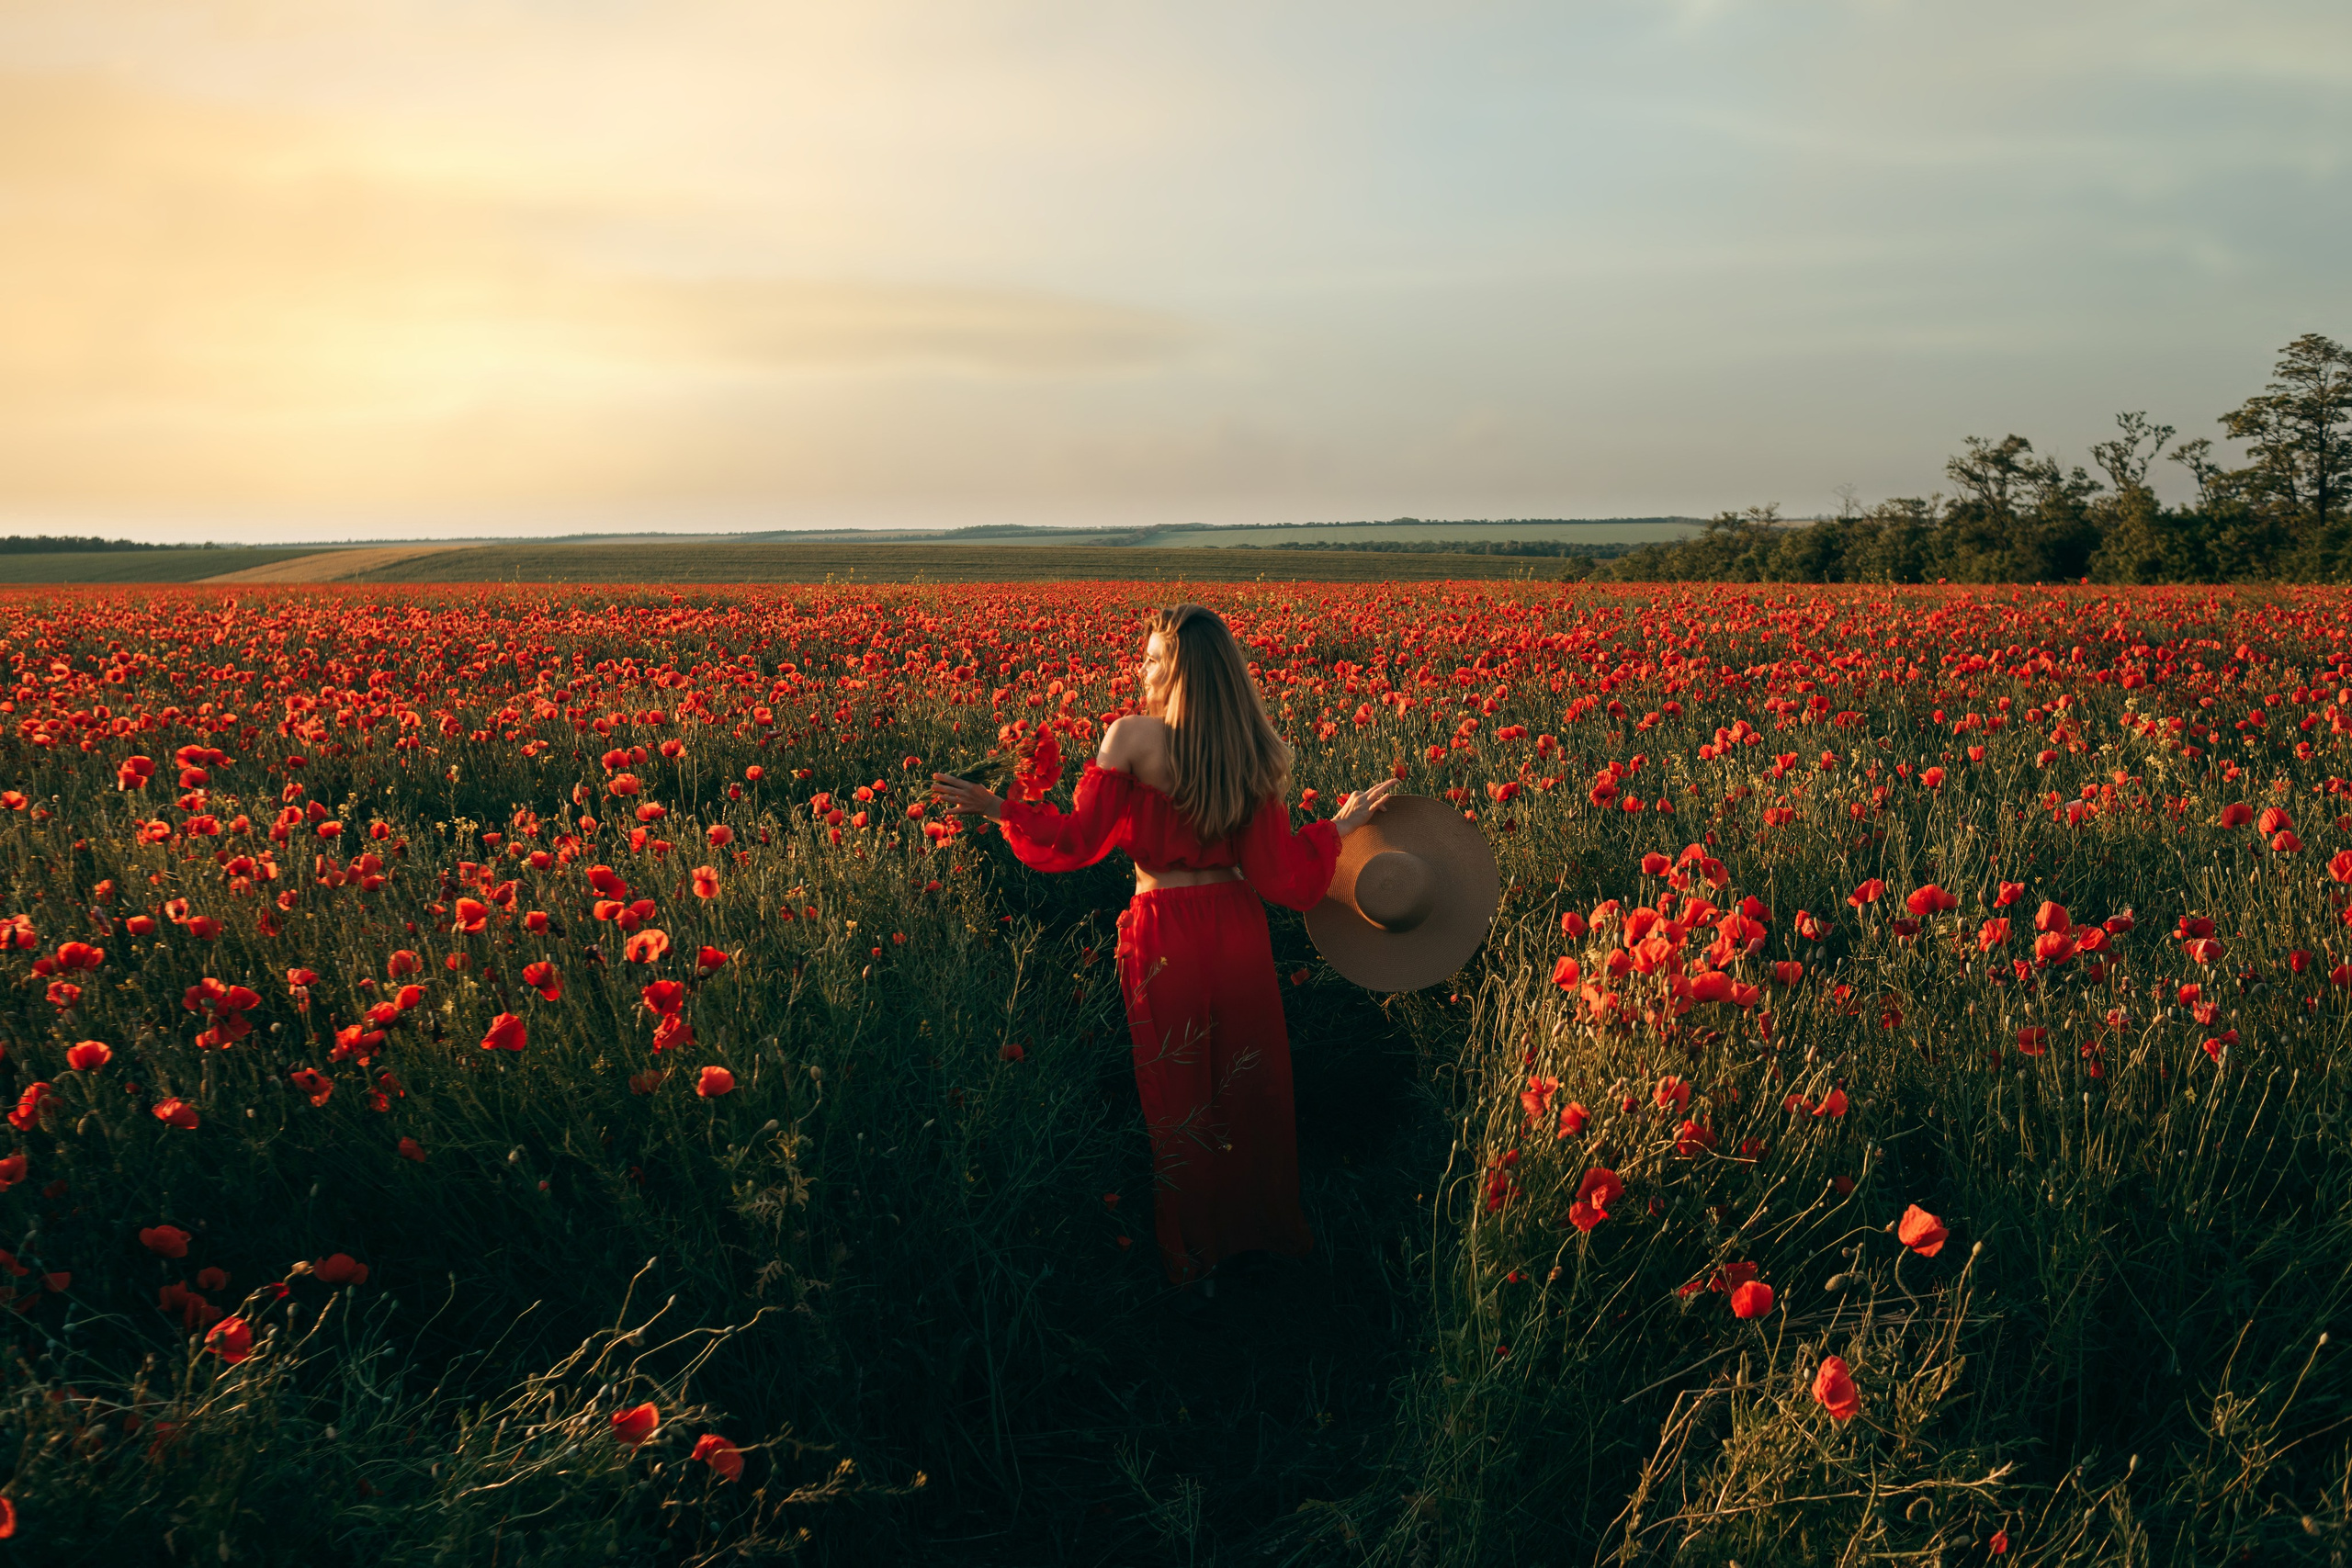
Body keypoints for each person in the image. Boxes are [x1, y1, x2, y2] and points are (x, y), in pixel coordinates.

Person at [930, 604, 1398, 1294]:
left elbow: (1078, 843)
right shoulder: (1250, 747)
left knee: (1180, 1094)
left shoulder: (1129, 738)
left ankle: (1196, 1258)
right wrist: (1331, 829)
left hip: (1165, 930)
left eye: (1150, 658)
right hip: (1236, 929)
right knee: (1248, 1086)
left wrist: (1001, 807)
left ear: (1177, 669)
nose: (1140, 668)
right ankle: (1261, 1239)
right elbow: (1280, 880)